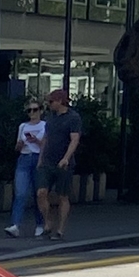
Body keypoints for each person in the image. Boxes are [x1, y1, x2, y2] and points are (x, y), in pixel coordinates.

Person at [39, 87, 84, 239]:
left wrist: (66, 157)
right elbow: (46, 137)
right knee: (41, 192)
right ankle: (48, 222)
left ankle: (60, 229)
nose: (49, 104)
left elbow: (74, 139)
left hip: (63, 161)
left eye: (51, 101)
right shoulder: (51, 117)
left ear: (60, 101)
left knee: (62, 196)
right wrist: (41, 158)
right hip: (48, 160)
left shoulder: (73, 117)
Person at [7, 104, 47, 236]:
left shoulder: (45, 125)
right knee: (20, 193)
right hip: (24, 157)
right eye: (29, 110)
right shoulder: (23, 126)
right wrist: (20, 144)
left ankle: (40, 224)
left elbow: (46, 145)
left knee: (38, 194)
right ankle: (15, 225)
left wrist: (36, 140)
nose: (32, 112)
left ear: (41, 111)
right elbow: (17, 147)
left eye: (35, 110)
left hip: (38, 158)